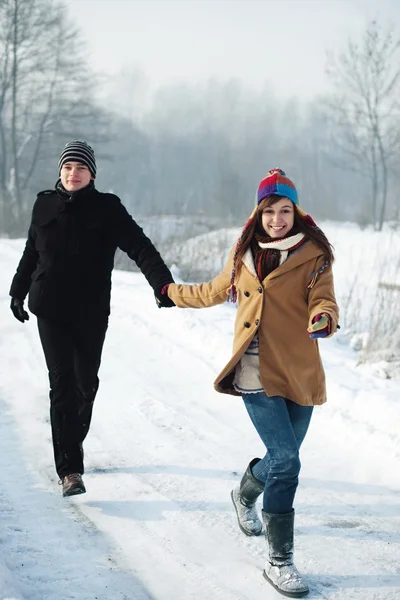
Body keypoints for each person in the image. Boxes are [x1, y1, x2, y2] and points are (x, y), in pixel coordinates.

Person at [159, 168, 339, 598]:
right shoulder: (243, 255)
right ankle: (281, 562)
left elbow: (324, 298)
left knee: (282, 459)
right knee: (288, 461)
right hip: (254, 369)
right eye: (269, 211)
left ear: (295, 212)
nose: (277, 219)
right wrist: (170, 292)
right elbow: (213, 290)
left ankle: (244, 492)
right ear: (258, 213)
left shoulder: (314, 254)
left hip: (297, 368)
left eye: (285, 210)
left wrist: (323, 317)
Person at [9, 140, 174, 498]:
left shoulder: (107, 209)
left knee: (86, 384)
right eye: (68, 167)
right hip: (49, 308)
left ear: (92, 174)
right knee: (62, 385)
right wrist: (17, 291)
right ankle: (69, 469)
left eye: (80, 168)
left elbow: (140, 247)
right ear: (60, 171)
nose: (73, 173)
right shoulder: (44, 204)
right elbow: (31, 251)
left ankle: (71, 437)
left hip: (89, 312)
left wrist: (162, 285)